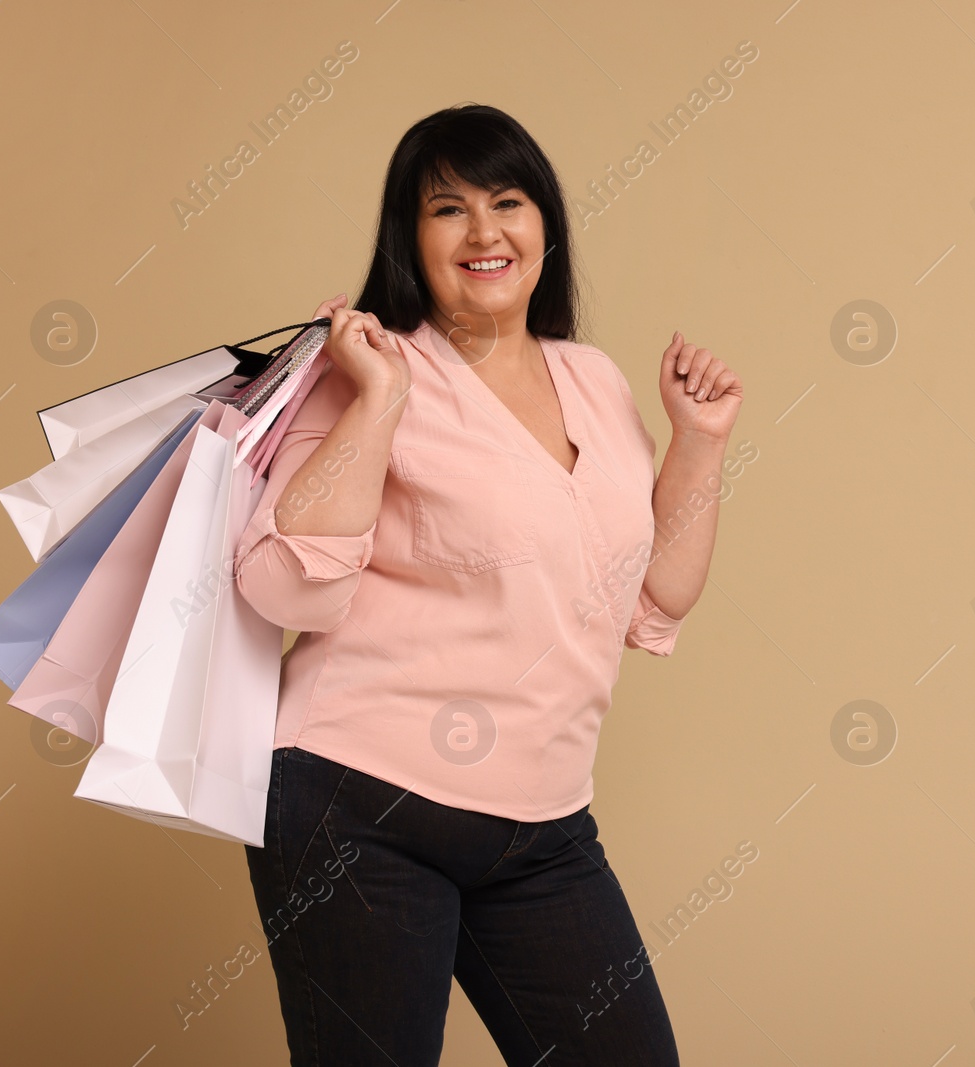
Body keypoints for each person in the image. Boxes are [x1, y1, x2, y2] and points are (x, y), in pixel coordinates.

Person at [234, 103, 743, 1066]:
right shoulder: (365, 371)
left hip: (543, 823)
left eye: (507, 201)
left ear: (544, 226)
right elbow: (285, 588)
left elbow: (654, 598)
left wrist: (700, 443)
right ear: (407, 237)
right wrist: (379, 400)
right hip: (359, 801)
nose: (484, 231)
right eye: (447, 209)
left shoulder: (590, 377)